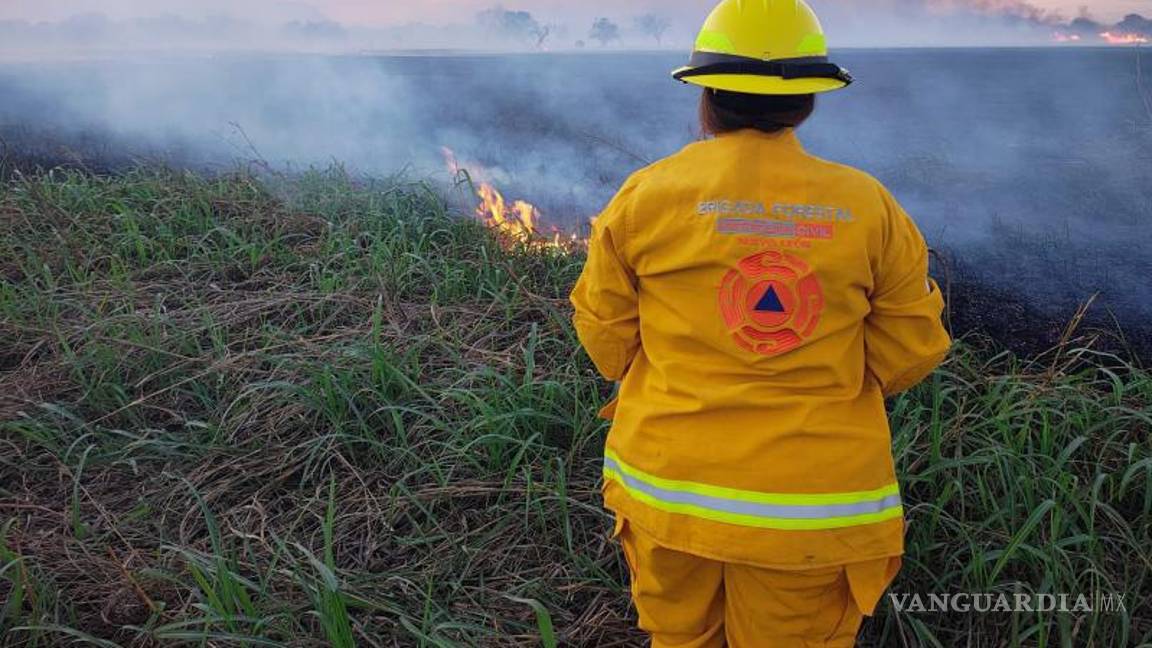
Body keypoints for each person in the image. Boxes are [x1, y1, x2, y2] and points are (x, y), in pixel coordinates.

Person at [569, 1, 953, 646]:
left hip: (668, 493)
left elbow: (606, 337)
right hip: (811, 511)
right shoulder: (868, 206)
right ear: (807, 102)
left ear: (704, 99)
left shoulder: (645, 196)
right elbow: (913, 349)